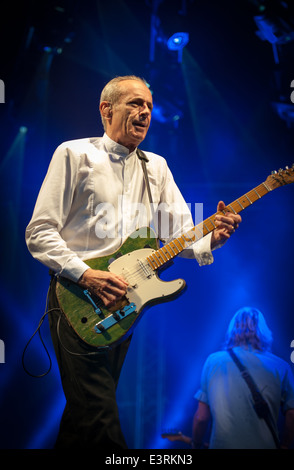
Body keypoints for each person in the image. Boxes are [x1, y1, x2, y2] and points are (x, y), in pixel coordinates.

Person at [25, 75, 242, 449]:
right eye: (135, 104)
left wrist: (214, 239)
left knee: (84, 416)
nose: (145, 112)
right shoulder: (74, 154)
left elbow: (180, 235)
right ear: (106, 109)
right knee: (100, 413)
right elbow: (40, 231)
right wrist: (88, 274)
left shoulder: (155, 166)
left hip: (125, 304)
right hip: (77, 298)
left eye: (149, 107)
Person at [191, 307, 294, 449]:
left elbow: (201, 418)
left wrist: (196, 444)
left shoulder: (213, 361)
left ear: (233, 330)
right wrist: (285, 445)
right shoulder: (281, 366)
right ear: (263, 331)